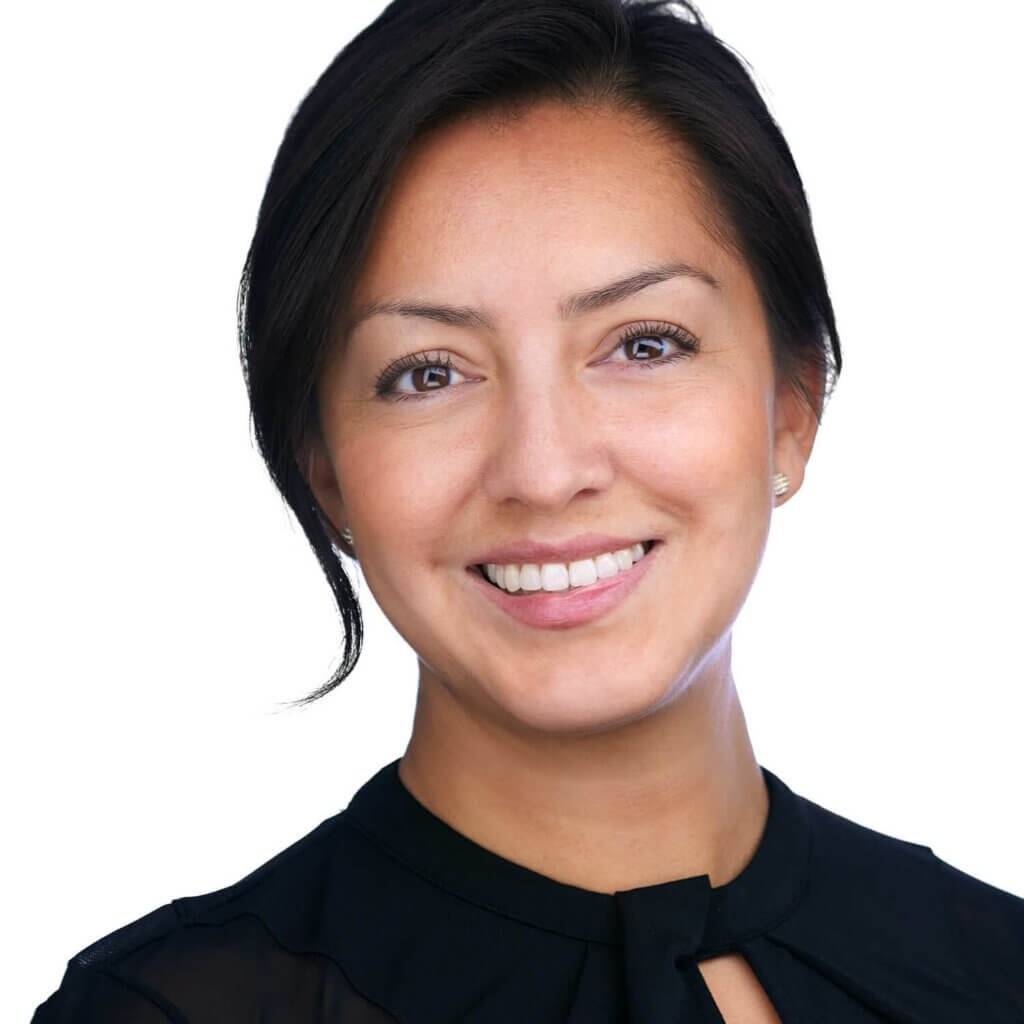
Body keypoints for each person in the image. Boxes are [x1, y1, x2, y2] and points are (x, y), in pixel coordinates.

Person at [31, 0, 1024, 1021]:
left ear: (790, 409)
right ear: (324, 472)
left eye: (643, 344)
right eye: (427, 373)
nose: (544, 471)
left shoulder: (995, 969)